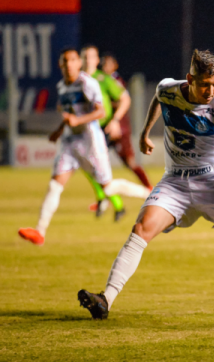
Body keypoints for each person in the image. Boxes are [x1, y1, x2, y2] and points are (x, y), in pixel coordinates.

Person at [77, 49, 214, 320]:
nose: (211, 91)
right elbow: (159, 98)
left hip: (213, 180)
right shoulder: (168, 89)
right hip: (176, 181)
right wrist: (145, 132)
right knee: (141, 228)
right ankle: (106, 299)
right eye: (205, 84)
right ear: (189, 79)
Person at [18, 48, 151, 246]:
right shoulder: (62, 86)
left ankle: (149, 194)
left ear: (78, 64)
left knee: (108, 188)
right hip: (70, 143)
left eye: (73, 60)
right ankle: (40, 232)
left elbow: (101, 111)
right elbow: (69, 113)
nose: (69, 64)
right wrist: (59, 129)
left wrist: (77, 120)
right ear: (60, 65)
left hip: (91, 142)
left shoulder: (87, 83)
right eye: (65, 61)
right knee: (55, 185)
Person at [81, 45, 142, 221]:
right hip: (85, 130)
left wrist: (115, 120)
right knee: (88, 167)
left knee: (105, 169)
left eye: (90, 57)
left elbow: (125, 98)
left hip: (103, 129)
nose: (87, 60)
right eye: (84, 56)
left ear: (95, 60)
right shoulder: (78, 79)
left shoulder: (103, 79)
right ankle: (107, 201)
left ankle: (137, 196)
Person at [100, 52, 153, 191]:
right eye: (103, 64)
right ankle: (104, 199)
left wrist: (110, 113)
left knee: (130, 162)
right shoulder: (102, 80)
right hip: (105, 127)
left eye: (108, 64)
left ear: (115, 66)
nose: (105, 67)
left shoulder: (114, 81)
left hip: (119, 128)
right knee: (97, 164)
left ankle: (149, 188)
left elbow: (122, 101)